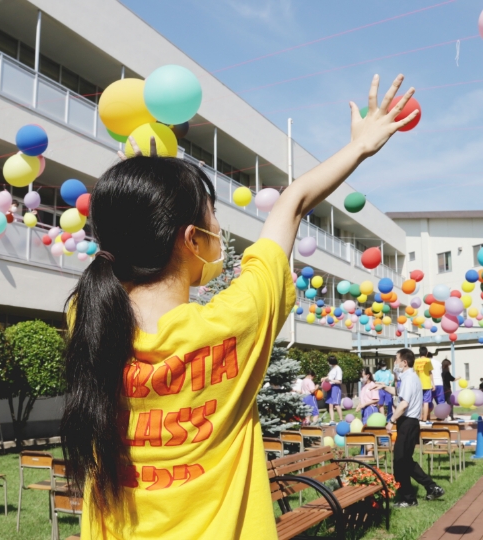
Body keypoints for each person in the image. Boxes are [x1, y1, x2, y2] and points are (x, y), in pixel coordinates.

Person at [62, 74, 419, 539]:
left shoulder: (87, 320)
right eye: (213, 220)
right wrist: (359, 147)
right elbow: (290, 206)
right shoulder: (234, 320)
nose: (220, 231)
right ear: (191, 240)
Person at [387, 348, 444, 508]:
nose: (395, 363)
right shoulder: (410, 377)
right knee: (406, 461)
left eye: (396, 360)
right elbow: (400, 393)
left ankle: (408, 498)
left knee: (400, 461)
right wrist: (383, 387)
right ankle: (431, 487)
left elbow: (404, 404)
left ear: (404, 362)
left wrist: (391, 420)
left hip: (407, 422)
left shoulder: (409, 378)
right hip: (409, 423)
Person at [414, 346, 434, 421]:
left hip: (418, 384)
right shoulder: (428, 360)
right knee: (426, 402)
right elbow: (430, 372)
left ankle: (419, 417)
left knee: (419, 402)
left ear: (419, 353)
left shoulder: (416, 361)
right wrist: (433, 384)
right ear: (426, 353)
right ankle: (425, 419)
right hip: (427, 384)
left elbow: (415, 373)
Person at [322, 355, 343, 422]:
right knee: (330, 405)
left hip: (335, 388)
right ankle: (332, 420)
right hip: (330, 388)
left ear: (331, 361)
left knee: (336, 404)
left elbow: (339, 381)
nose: (327, 363)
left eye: (328, 361)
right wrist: (324, 378)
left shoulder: (338, 369)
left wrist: (330, 380)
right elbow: (328, 376)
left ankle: (341, 420)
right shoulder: (332, 368)